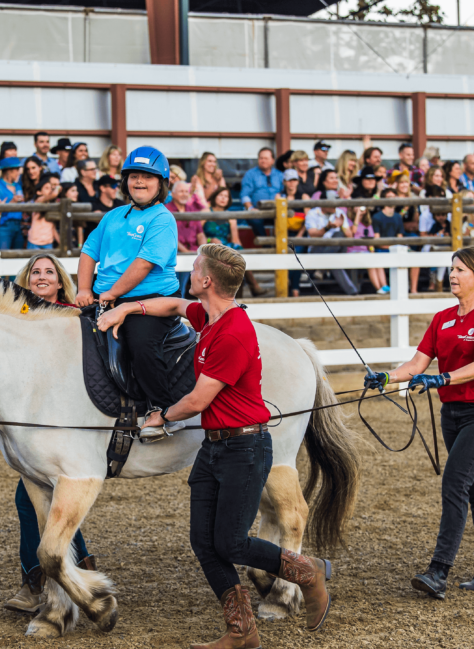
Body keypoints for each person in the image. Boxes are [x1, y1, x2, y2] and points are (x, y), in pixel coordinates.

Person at [96, 243, 336, 647]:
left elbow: (198, 399)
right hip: (214, 447)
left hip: (245, 447)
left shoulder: (234, 333)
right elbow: (173, 307)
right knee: (204, 543)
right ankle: (241, 630)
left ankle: (306, 571)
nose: (187, 273)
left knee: (231, 542)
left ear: (206, 280)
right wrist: (127, 309)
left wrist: (162, 417)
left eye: (193, 268)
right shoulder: (207, 315)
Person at [364, 246, 474, 601]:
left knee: (455, 482)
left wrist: (440, 379)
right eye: (452, 269)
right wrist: (387, 378)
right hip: (453, 414)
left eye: (460, 270)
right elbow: (417, 363)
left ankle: (438, 571)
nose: (453, 275)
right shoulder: (443, 318)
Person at [0, 253, 96, 613]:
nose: (42, 277)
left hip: (69, 424)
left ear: (60, 282)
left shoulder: (73, 317)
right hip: (33, 427)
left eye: (49, 272)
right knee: (45, 499)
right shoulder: (13, 322)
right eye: (35, 272)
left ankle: (35, 583)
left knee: (35, 499)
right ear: (25, 281)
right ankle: (79, 569)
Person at [76, 146, 180, 411]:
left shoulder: (162, 219)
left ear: (161, 183)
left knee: (141, 345)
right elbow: (89, 252)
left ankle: (164, 409)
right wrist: (83, 288)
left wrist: (110, 294)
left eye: (148, 176)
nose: (139, 181)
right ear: (125, 181)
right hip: (107, 297)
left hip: (150, 300)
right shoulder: (112, 216)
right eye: (134, 175)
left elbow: (143, 264)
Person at [203, 186, 267, 297]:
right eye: (221, 195)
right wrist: (209, 240)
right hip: (208, 244)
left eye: (226, 196)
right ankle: (253, 285)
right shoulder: (205, 212)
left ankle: (240, 292)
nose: (223, 199)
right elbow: (198, 233)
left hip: (224, 246)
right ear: (215, 197)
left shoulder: (231, 216)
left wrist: (239, 252)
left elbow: (235, 240)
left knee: (237, 252)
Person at [168, 180, 207, 295]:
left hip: (192, 252)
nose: (184, 194)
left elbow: (200, 233)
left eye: (186, 191)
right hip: (175, 254)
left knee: (183, 286)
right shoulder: (167, 210)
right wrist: (186, 252)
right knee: (175, 286)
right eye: (181, 191)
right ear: (173, 194)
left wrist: (203, 250)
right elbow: (171, 237)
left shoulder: (191, 210)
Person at [240, 147, 283, 238]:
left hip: (277, 210)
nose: (263, 161)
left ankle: (281, 248)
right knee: (255, 220)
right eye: (261, 158)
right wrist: (250, 208)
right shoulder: (250, 174)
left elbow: (285, 193)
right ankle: (266, 246)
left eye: (266, 158)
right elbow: (245, 195)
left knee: (286, 220)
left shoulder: (280, 175)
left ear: (272, 160)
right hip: (258, 211)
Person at [0, 156, 26, 250]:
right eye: (17, 169)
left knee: (19, 257)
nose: (19, 172)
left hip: (18, 226)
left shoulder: (18, 186)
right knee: (4, 256)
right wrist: (11, 202)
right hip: (4, 226)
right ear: (9, 170)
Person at [26, 177, 59, 250]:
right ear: (39, 192)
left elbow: (52, 227)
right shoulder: (38, 200)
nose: (50, 190)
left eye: (51, 188)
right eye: (47, 188)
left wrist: (60, 242)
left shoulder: (52, 205)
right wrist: (57, 188)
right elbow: (54, 194)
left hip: (48, 242)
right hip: (34, 242)